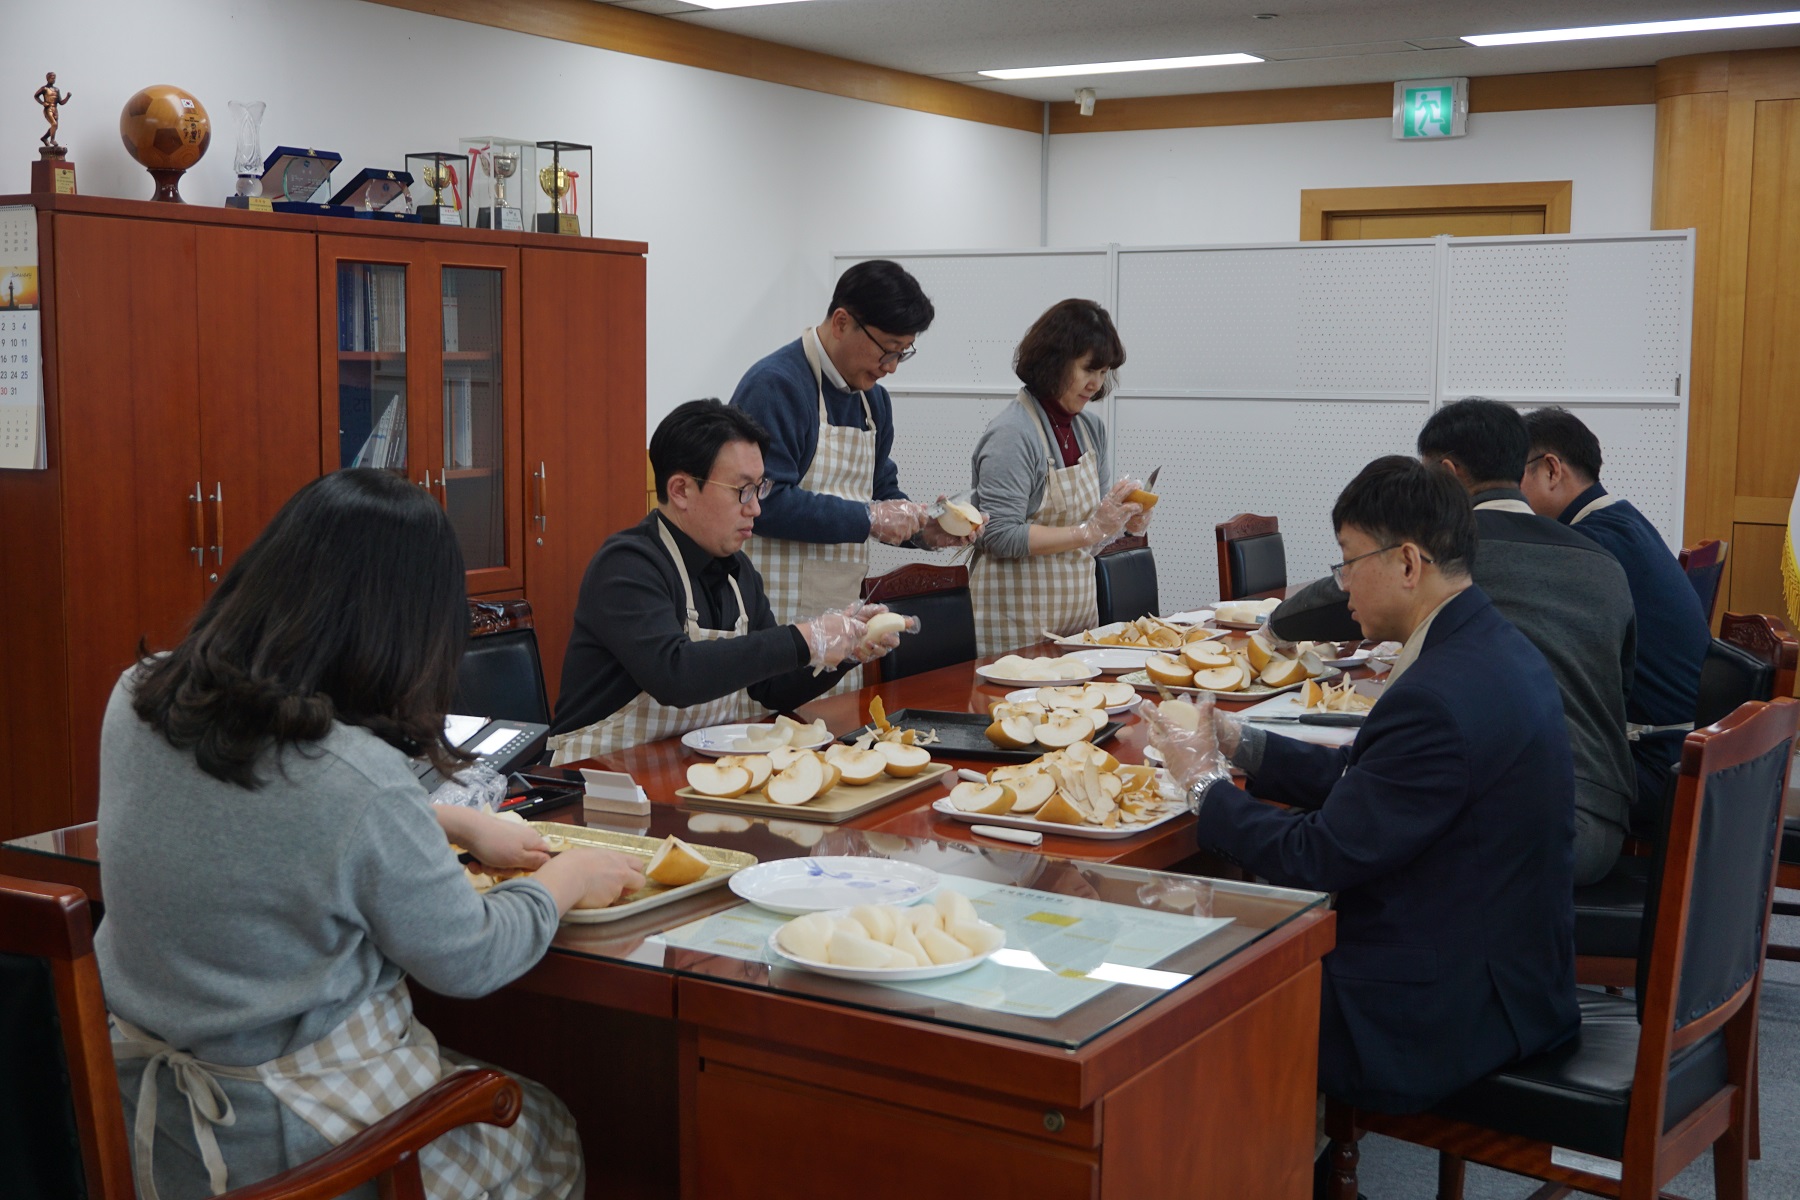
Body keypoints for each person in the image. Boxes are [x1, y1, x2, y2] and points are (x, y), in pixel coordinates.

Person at [95, 468, 646, 1200]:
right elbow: (469, 959)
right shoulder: (358, 778)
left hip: (140, 1122)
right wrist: (567, 878)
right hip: (289, 1146)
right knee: (547, 1131)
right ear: (406, 628)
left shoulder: (138, 694)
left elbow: (260, 821)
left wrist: (448, 819)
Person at [1147, 455, 1579, 1117]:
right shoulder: (1496, 647)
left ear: (1408, 563)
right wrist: (1241, 743)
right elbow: (1372, 786)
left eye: (1348, 559)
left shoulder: (1437, 694)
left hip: (1443, 1010)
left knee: (1185, 992)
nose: (1341, 583)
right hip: (1506, 973)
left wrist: (1204, 785)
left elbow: (1318, 855)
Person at [1270, 398, 1637, 884]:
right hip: (1609, 812)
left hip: (1535, 832)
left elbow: (1327, 602)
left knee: (1350, 843)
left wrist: (1273, 627)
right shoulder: (1603, 560)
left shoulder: (1451, 557)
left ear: (1445, 473)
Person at [548, 400, 899, 761]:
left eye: (760, 488)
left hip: (686, 773)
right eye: (741, 490)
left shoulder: (738, 571)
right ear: (681, 490)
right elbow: (676, 674)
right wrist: (806, 637)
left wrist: (840, 653)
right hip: (596, 778)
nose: (756, 508)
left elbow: (771, 689)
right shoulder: (627, 566)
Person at [729, 261, 968, 635]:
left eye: (903, 353)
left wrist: (923, 531)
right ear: (841, 322)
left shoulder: (874, 403)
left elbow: (881, 494)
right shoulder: (777, 386)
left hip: (843, 616)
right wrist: (869, 518)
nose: (890, 367)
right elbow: (761, 503)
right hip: (771, 613)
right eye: (887, 350)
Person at [1521, 406, 1710, 831]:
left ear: (1552, 470)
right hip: (1679, 751)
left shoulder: (1588, 546)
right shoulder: (1621, 521)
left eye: (1515, 480)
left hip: (1654, 768)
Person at [968, 298, 1149, 655]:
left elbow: (1091, 539)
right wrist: (1090, 529)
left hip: (1076, 623)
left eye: (1104, 372)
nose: (1096, 383)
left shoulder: (1090, 430)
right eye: (1088, 370)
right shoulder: (1013, 435)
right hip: (1014, 629)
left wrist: (1124, 521)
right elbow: (999, 535)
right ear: (1054, 361)